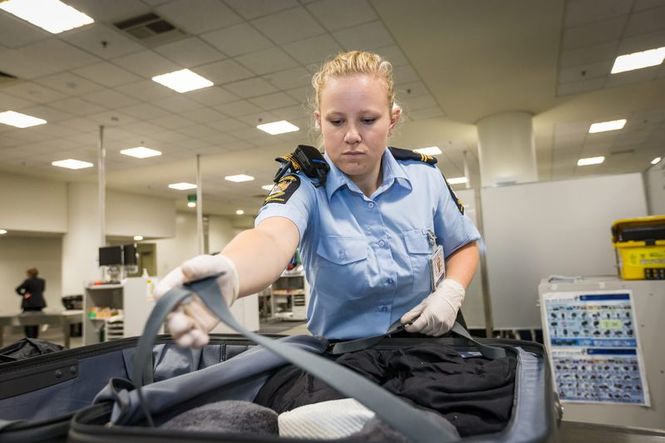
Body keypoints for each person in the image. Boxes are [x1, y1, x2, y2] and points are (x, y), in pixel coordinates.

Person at [155, 50, 480, 347]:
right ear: (318, 121)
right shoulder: (305, 184)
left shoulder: (425, 178)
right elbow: (270, 238)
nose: (352, 135)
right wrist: (230, 272)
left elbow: (462, 244)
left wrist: (451, 291)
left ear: (392, 120)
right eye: (336, 121)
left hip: (427, 345)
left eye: (368, 120)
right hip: (345, 358)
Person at [15, 267, 47, 338]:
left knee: (27, 322)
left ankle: (29, 337)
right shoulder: (42, 281)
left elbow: (18, 289)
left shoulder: (28, 281)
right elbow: (42, 290)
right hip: (39, 303)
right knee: (36, 321)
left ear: (29, 274)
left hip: (28, 304)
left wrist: (24, 295)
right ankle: (35, 338)